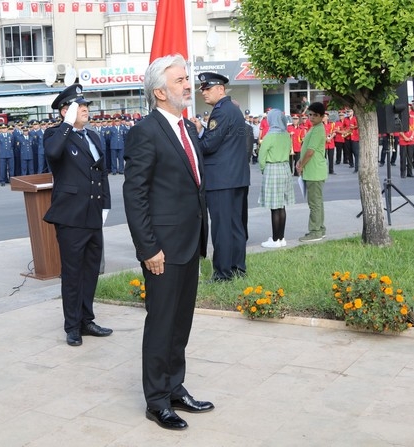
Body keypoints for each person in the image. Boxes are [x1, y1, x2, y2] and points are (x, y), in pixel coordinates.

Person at [123, 54, 212, 432]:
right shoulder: (145, 132)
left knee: (181, 322)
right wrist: (148, 249)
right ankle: (156, 400)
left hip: (190, 242)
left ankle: (175, 387)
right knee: (161, 324)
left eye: (187, 78)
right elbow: (135, 195)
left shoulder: (188, 130)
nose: (188, 85)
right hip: (163, 248)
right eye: (179, 80)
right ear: (160, 91)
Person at [43, 83, 112, 347]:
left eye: (85, 106)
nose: (85, 109)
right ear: (65, 111)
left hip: (93, 213)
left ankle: (86, 319)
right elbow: (52, 153)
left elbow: (101, 173)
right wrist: (67, 125)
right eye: (78, 106)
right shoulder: (55, 135)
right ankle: (72, 326)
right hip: (71, 216)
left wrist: (105, 204)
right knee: (72, 273)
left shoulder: (93, 137)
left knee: (91, 270)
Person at [192, 71, 249, 282]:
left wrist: (195, 136)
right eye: (202, 90)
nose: (203, 93)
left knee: (222, 227)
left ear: (220, 89)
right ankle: (237, 269)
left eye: (207, 89)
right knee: (235, 226)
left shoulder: (221, 111)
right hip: (236, 177)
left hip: (221, 180)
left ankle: (223, 273)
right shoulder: (233, 110)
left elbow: (208, 145)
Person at [258, 109, 296, 248]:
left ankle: (274, 240)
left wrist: (263, 169)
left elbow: (262, 156)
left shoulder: (270, 136)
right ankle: (281, 238)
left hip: (272, 168)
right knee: (282, 205)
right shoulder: (286, 134)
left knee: (274, 207)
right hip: (285, 168)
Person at [296, 102, 328, 242]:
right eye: (310, 114)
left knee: (314, 203)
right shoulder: (314, 128)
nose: (312, 117)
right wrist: (300, 161)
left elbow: (310, 152)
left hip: (314, 171)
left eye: (315, 115)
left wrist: (301, 165)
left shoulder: (318, 129)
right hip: (313, 170)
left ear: (322, 116)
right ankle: (320, 228)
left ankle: (315, 231)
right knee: (317, 202)